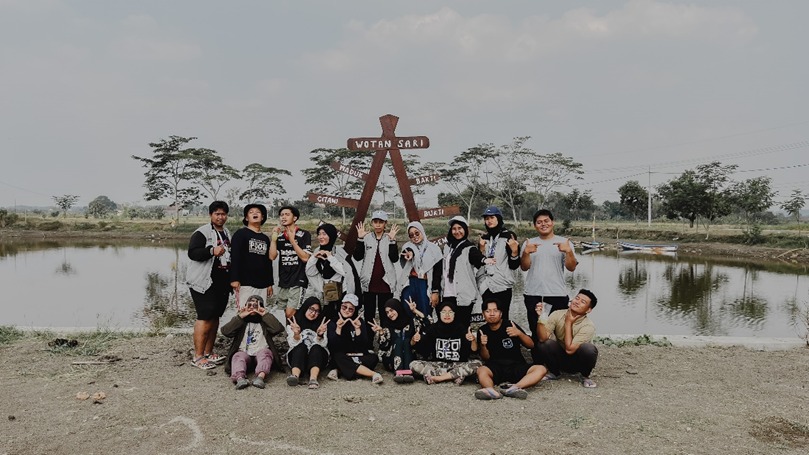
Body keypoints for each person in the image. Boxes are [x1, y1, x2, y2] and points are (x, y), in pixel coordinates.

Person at [186, 201, 232, 370]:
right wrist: (211, 251)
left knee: (215, 317)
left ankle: (208, 352)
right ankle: (197, 357)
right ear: (211, 215)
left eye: (223, 214)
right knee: (204, 316)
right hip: (203, 281)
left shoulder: (227, 232)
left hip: (221, 282)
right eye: (217, 214)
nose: (220, 217)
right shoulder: (202, 232)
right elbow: (193, 253)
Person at [520, 209, 578, 337]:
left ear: (552, 222)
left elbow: (571, 268)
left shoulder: (564, 243)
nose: (543, 224)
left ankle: (558, 356)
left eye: (546, 221)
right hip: (533, 293)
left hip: (557, 293)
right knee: (536, 330)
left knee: (559, 331)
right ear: (535, 225)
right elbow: (524, 267)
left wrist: (568, 252)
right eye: (539, 222)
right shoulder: (528, 243)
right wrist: (525, 252)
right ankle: (538, 356)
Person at [474, 300, 547, 400]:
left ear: (501, 313)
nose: (491, 314)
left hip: (516, 365)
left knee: (541, 369)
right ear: (483, 314)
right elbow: (486, 357)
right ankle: (490, 390)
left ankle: (514, 388)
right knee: (481, 370)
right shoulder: (482, 330)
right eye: (488, 311)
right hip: (495, 366)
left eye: (495, 311)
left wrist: (519, 334)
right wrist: (483, 345)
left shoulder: (510, 324)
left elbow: (531, 345)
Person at [534, 289, 599, 388]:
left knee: (588, 349)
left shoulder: (588, 326)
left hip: (578, 362)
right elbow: (542, 338)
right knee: (544, 344)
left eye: (583, 302)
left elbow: (570, 350)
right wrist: (541, 317)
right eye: (577, 298)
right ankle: (555, 373)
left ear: (588, 310)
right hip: (560, 358)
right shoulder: (557, 314)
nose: (577, 302)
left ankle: (584, 376)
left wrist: (568, 323)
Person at [220, 295, 285, 389]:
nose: (252, 308)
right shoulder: (241, 321)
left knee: (266, 353)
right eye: (249, 305)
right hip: (244, 353)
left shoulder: (265, 321)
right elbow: (226, 331)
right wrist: (240, 316)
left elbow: (278, 329)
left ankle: (260, 378)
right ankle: (239, 378)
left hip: (260, 353)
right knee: (238, 356)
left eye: (256, 305)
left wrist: (264, 314)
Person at [410, 300, 481, 385]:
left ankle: (438, 377)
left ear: (454, 314)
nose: (447, 315)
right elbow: (422, 349)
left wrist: (472, 340)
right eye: (444, 312)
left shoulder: (461, 328)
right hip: (438, 364)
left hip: (457, 364)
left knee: (478, 364)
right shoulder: (433, 328)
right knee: (413, 364)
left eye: (450, 312)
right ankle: (454, 375)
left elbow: (474, 350)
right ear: (439, 314)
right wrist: (415, 340)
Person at [436, 216, 486, 327]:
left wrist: (484, 256)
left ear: (465, 229)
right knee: (447, 326)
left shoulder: (469, 248)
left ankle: (465, 344)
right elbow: (442, 269)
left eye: (460, 228)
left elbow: (477, 260)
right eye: (454, 229)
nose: (457, 231)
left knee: (462, 327)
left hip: (464, 295)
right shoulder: (447, 248)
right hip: (447, 293)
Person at [353, 210, 399, 328]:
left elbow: (394, 259)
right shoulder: (366, 237)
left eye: (381, 222)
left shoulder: (389, 238)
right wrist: (360, 239)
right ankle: (368, 342)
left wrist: (393, 241)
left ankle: (385, 340)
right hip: (369, 282)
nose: (378, 224)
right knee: (369, 314)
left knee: (386, 313)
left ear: (385, 224)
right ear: (372, 223)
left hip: (386, 282)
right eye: (375, 222)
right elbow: (357, 257)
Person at [305, 223, 359, 321]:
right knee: (326, 320)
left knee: (343, 319)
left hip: (342, 293)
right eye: (319, 234)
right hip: (326, 294)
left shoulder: (340, 252)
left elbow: (346, 272)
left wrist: (330, 258)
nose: (321, 237)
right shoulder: (317, 251)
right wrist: (313, 258)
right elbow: (310, 272)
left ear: (331, 236)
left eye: (324, 234)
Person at [326, 293, 383, 384]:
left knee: (373, 358)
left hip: (357, 355)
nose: (347, 310)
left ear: (355, 310)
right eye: (344, 307)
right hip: (342, 355)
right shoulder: (333, 321)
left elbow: (364, 346)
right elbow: (333, 346)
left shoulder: (359, 321)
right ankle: (373, 374)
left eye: (351, 309)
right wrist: (338, 328)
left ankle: (341, 370)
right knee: (337, 357)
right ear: (340, 306)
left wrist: (357, 330)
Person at [477, 206, 520, 320]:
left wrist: (515, 251)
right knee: (489, 318)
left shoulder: (508, 236)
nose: (489, 221)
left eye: (492, 217)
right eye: (486, 218)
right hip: (487, 285)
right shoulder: (484, 238)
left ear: (499, 219)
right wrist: (481, 249)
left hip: (503, 285)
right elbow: (479, 263)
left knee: (503, 318)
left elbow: (514, 265)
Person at [369, 297, 425, 384]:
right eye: (387, 312)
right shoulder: (387, 324)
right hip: (391, 359)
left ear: (398, 308)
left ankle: (407, 371)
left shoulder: (411, 321)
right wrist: (380, 332)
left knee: (406, 341)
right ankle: (398, 371)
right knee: (398, 341)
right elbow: (384, 346)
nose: (389, 314)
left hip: (410, 356)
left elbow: (428, 323)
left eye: (391, 310)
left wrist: (415, 311)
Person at [269, 205, 312, 320]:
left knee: (290, 312)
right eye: (281, 215)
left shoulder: (304, 234)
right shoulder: (280, 236)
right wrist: (273, 239)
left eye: (287, 214)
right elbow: (272, 256)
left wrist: (293, 241)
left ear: (295, 218)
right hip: (284, 279)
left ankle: (301, 332)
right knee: (287, 315)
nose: (283, 217)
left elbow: (305, 258)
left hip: (298, 279)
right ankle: (292, 336)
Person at [229, 203, 273, 309]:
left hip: (262, 283)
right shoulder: (240, 234)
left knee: (260, 313)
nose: (255, 214)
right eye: (251, 212)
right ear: (246, 217)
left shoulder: (265, 238)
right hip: (245, 283)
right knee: (245, 312)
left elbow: (268, 262)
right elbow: (234, 257)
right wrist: (234, 278)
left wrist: (269, 283)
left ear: (262, 217)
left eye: (258, 212)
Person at [396, 221, 442, 319]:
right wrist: (411, 254)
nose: (415, 237)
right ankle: (413, 332)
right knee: (408, 308)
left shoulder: (434, 249)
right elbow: (408, 252)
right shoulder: (407, 246)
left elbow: (438, 273)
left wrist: (435, 291)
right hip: (411, 283)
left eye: (417, 233)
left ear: (422, 231)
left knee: (426, 310)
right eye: (411, 235)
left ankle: (425, 332)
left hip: (426, 284)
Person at [285, 297, 330, 390]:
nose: (313, 313)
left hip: (318, 359)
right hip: (298, 357)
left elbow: (324, 344)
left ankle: (313, 379)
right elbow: (291, 344)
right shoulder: (295, 322)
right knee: (300, 347)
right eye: (311, 309)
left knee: (316, 348)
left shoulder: (322, 324)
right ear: (305, 307)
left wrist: (319, 335)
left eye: (317, 311)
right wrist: (296, 334)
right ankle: (295, 376)